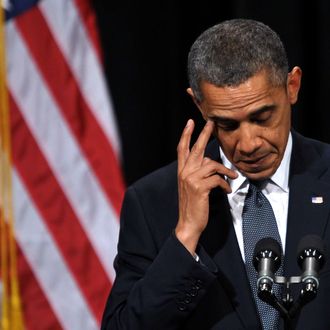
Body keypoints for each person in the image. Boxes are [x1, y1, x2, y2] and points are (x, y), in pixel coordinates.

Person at [101, 19, 330, 330]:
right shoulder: (154, 202)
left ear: (292, 86)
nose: (249, 144)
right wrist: (185, 238)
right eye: (228, 125)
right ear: (199, 104)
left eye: (263, 117)